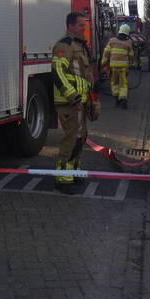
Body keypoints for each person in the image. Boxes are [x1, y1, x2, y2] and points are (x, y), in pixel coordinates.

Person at [51, 11, 93, 194]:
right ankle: (63, 179)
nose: (84, 28)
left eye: (84, 25)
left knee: (80, 138)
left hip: (80, 103)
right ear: (70, 26)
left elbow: (84, 75)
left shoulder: (80, 46)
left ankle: (74, 173)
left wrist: (91, 99)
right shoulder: (64, 45)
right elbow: (57, 73)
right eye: (81, 25)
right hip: (70, 103)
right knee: (70, 139)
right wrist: (73, 97)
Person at [103, 24, 135, 109]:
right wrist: (132, 61)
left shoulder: (112, 41)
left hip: (113, 66)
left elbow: (106, 53)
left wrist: (104, 63)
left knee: (114, 82)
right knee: (123, 83)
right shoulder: (128, 42)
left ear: (120, 31)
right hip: (123, 67)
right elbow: (131, 55)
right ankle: (123, 100)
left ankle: (116, 98)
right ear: (127, 33)